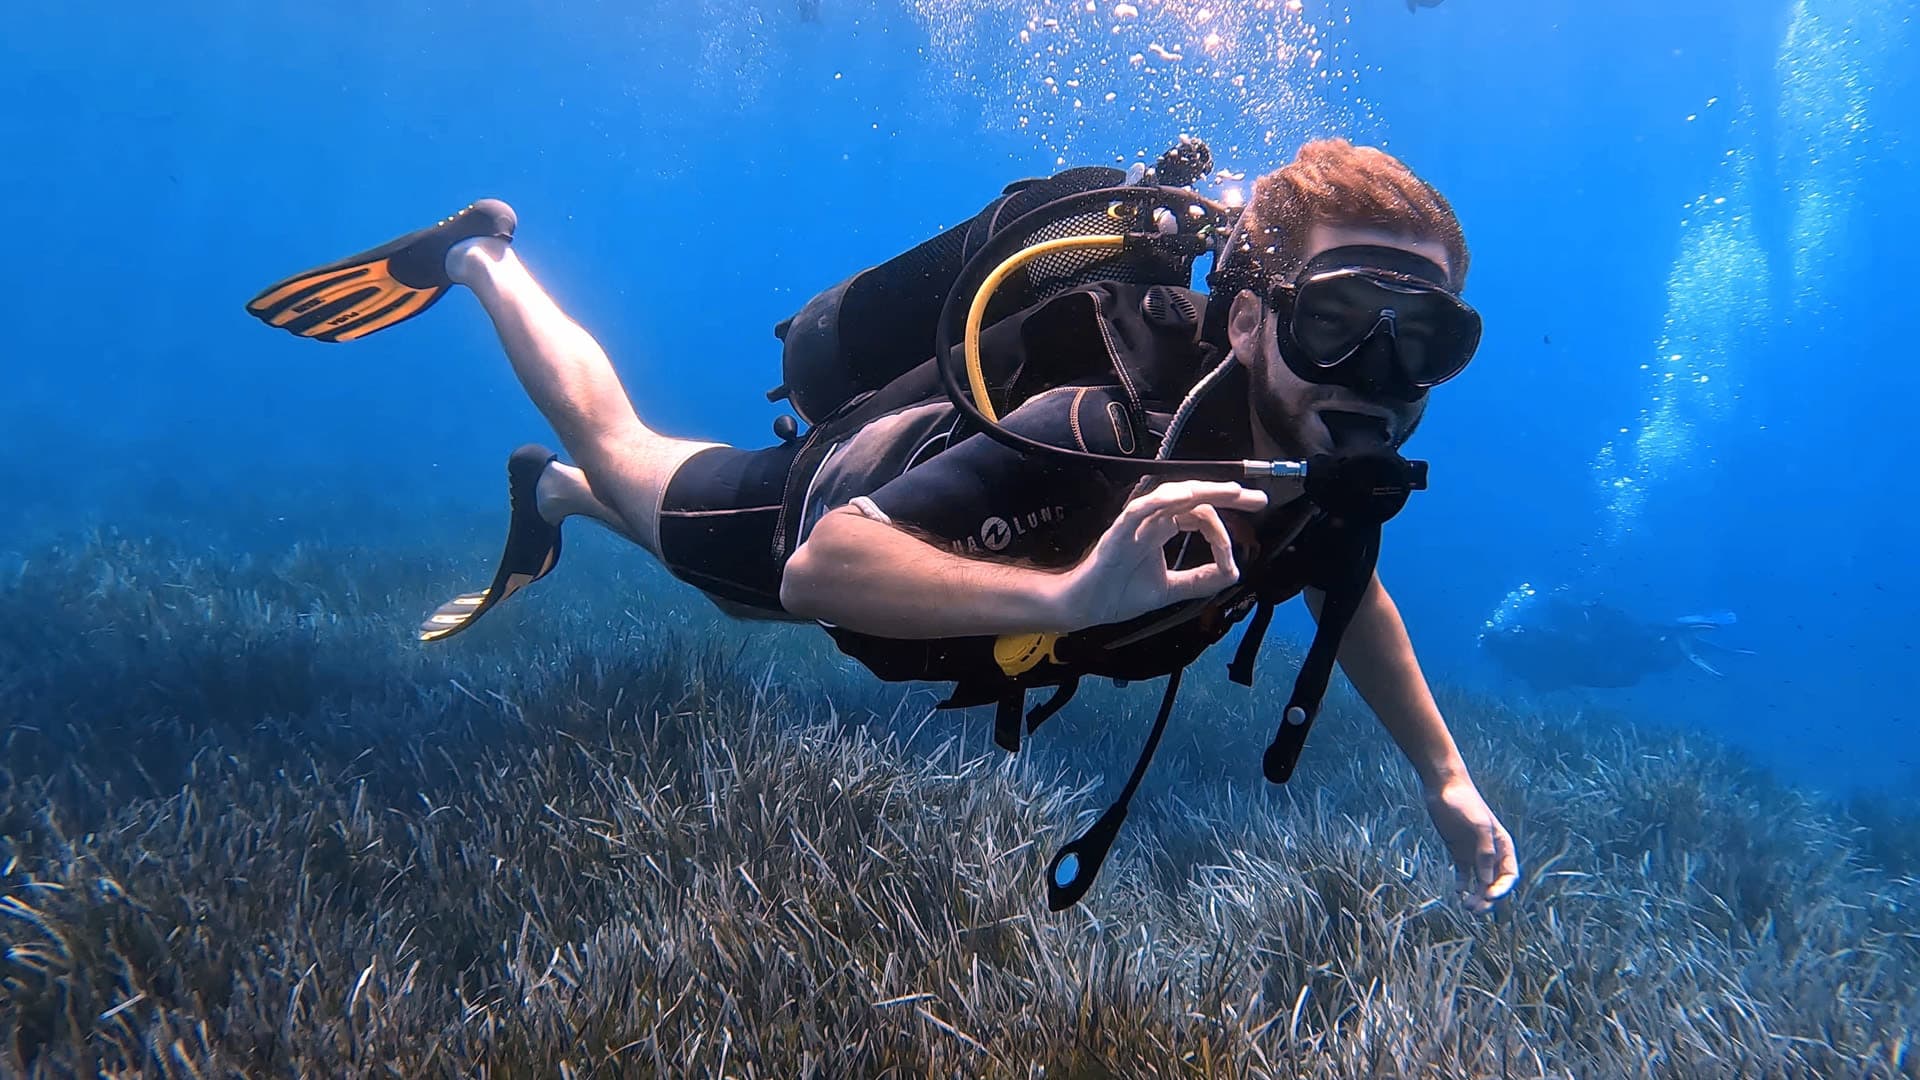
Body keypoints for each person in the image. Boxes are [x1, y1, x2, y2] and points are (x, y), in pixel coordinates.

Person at [246, 137, 1519, 912]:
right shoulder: (1096, 427)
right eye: (1339, 323)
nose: (1378, 376)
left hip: (927, 601)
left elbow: (1345, 585)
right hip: (826, 508)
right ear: (1248, 320)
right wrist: (1072, 600)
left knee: (728, 602)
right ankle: (483, 258)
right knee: (638, 462)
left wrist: (1447, 780)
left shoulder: (1302, 465)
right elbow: (825, 570)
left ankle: (556, 499)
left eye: (1426, 342)